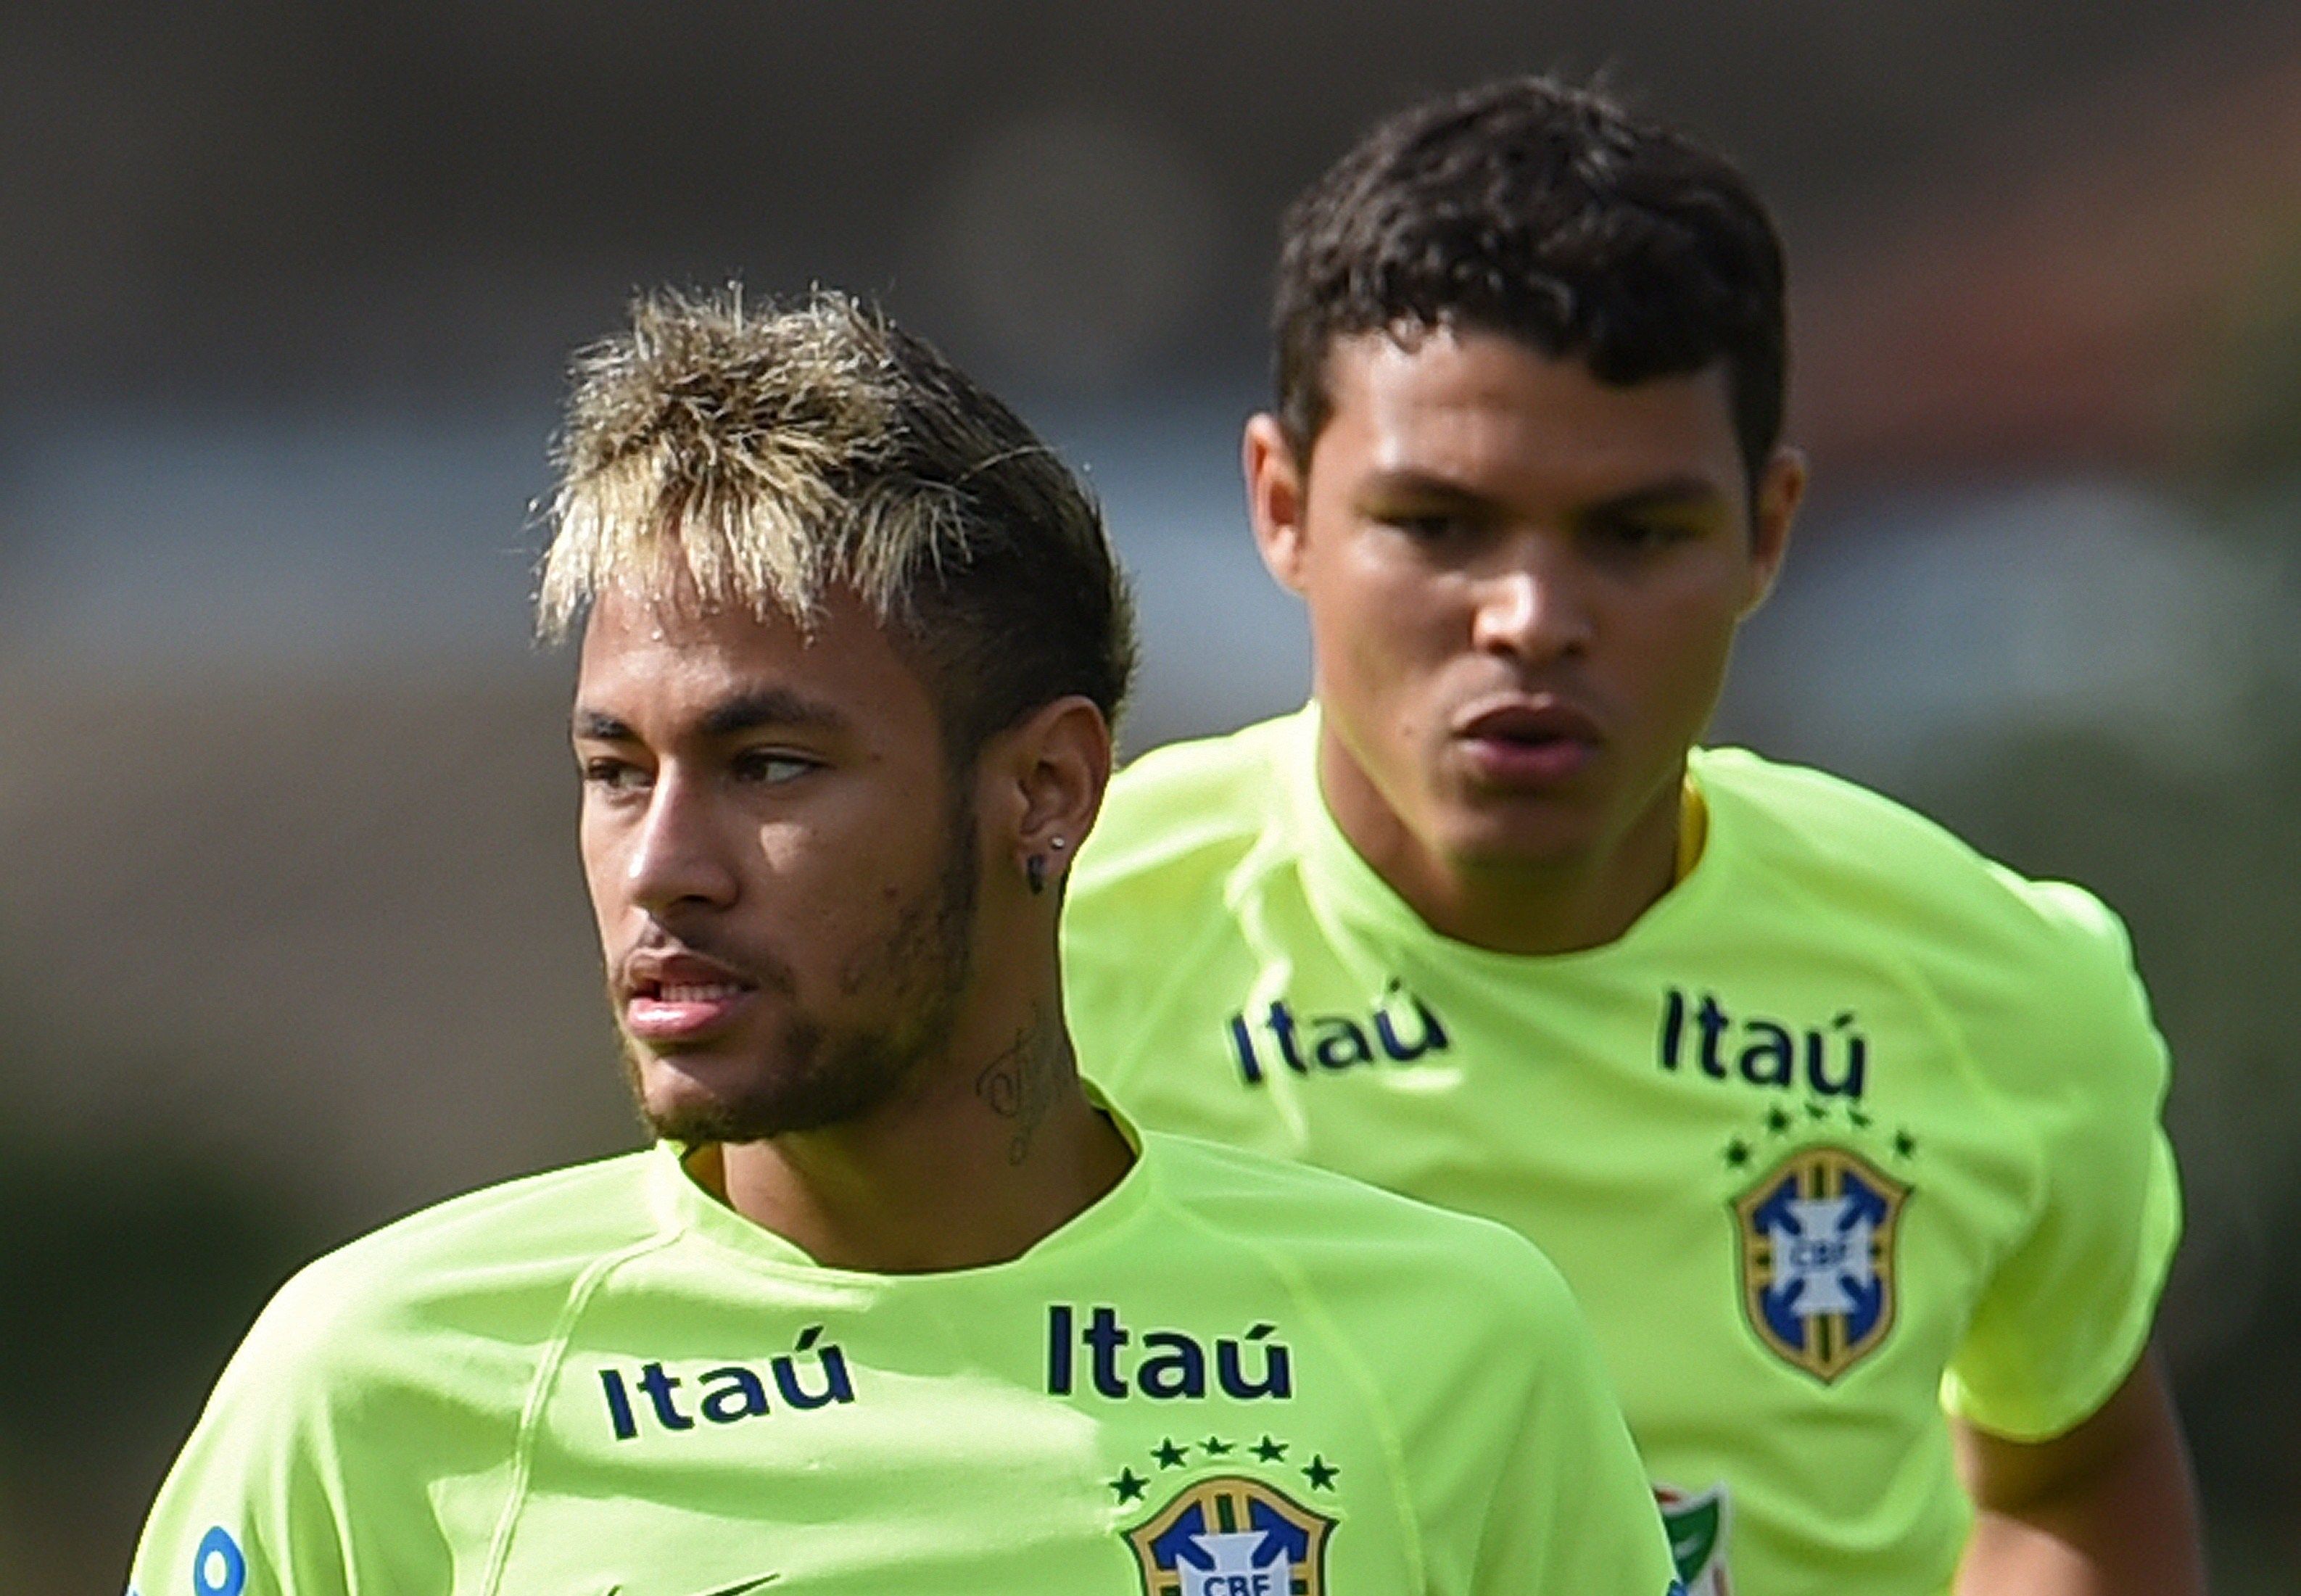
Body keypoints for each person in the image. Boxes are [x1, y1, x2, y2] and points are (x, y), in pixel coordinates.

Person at [128, 287, 1680, 1596]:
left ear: (1046, 792)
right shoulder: (377, 1385)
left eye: (770, 768)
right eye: (617, 772)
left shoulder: (1454, 1351)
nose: (665, 867)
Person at [1062, 78, 2205, 1596]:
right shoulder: (1033, 966)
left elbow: (2072, 1466)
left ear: (1767, 532)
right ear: (1282, 507)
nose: (1532, 619)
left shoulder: (1998, 990)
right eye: (1439, 524)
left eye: (1635, 534)